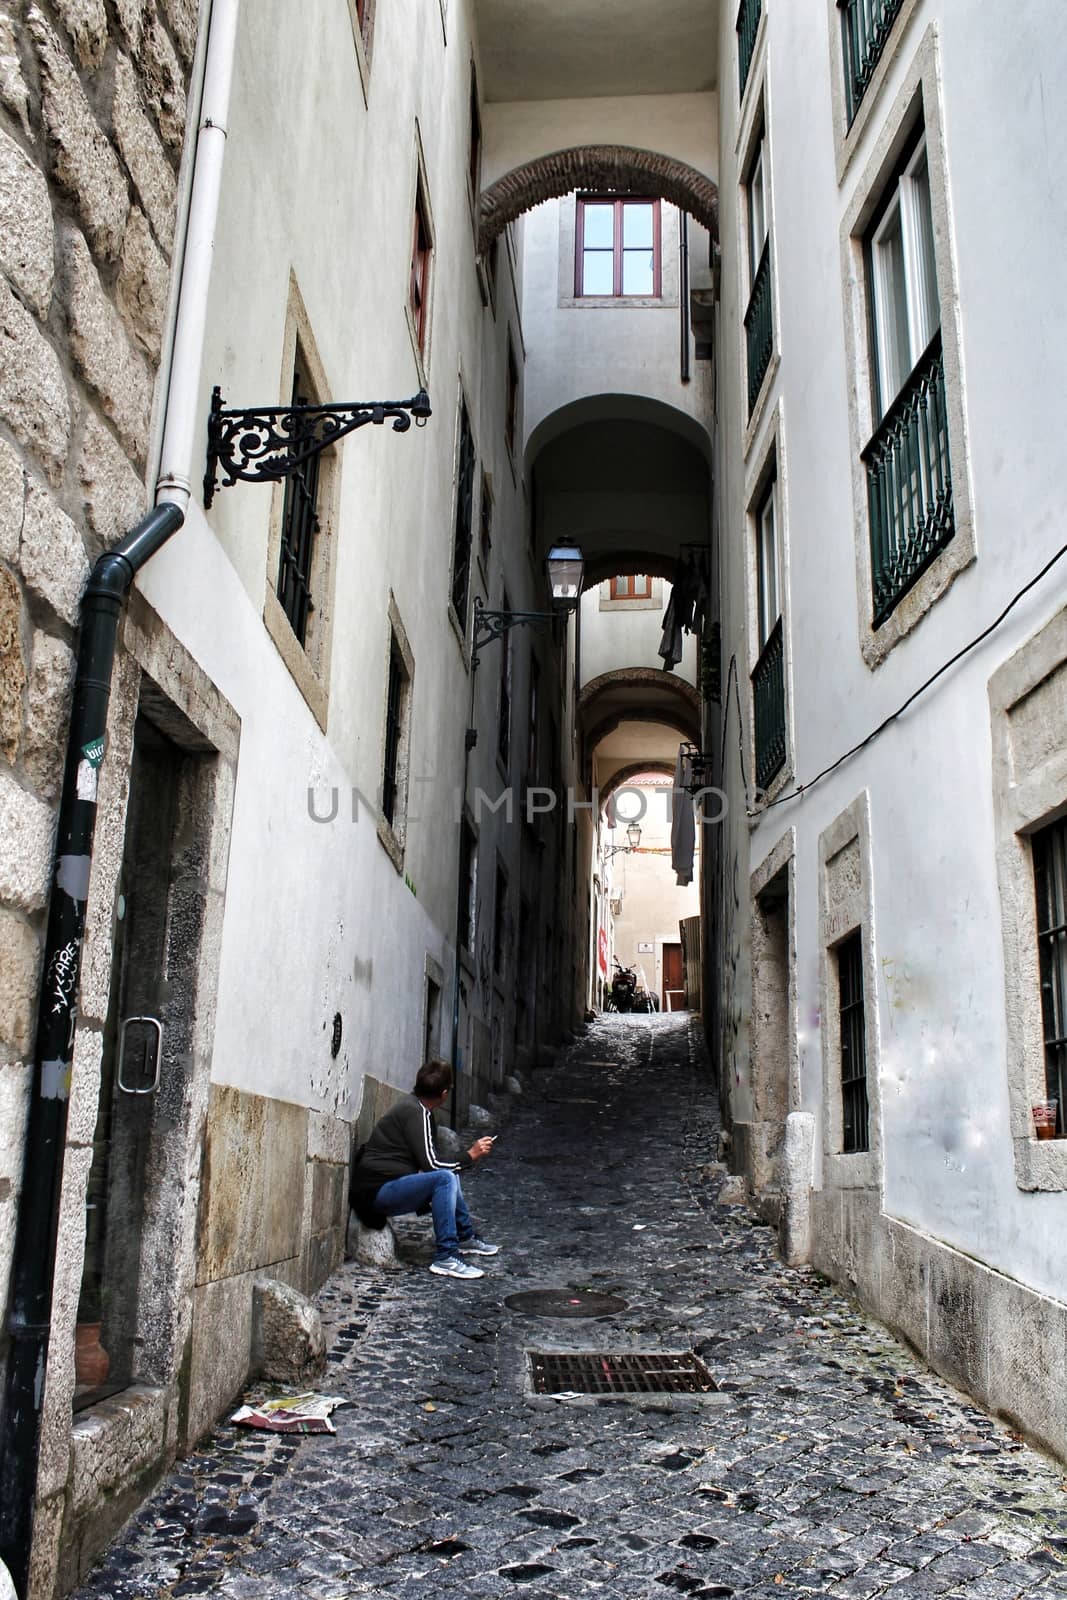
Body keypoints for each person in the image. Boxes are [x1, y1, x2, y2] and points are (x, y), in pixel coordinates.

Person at [349, 1058, 499, 1280]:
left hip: (386, 1184)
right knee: (445, 1178)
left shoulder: (417, 1107)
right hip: (376, 1193)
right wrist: (470, 1155)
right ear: (445, 1094)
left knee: (449, 1175)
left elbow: (428, 1160)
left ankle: (465, 1236)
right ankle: (446, 1256)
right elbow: (433, 1164)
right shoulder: (415, 1112)